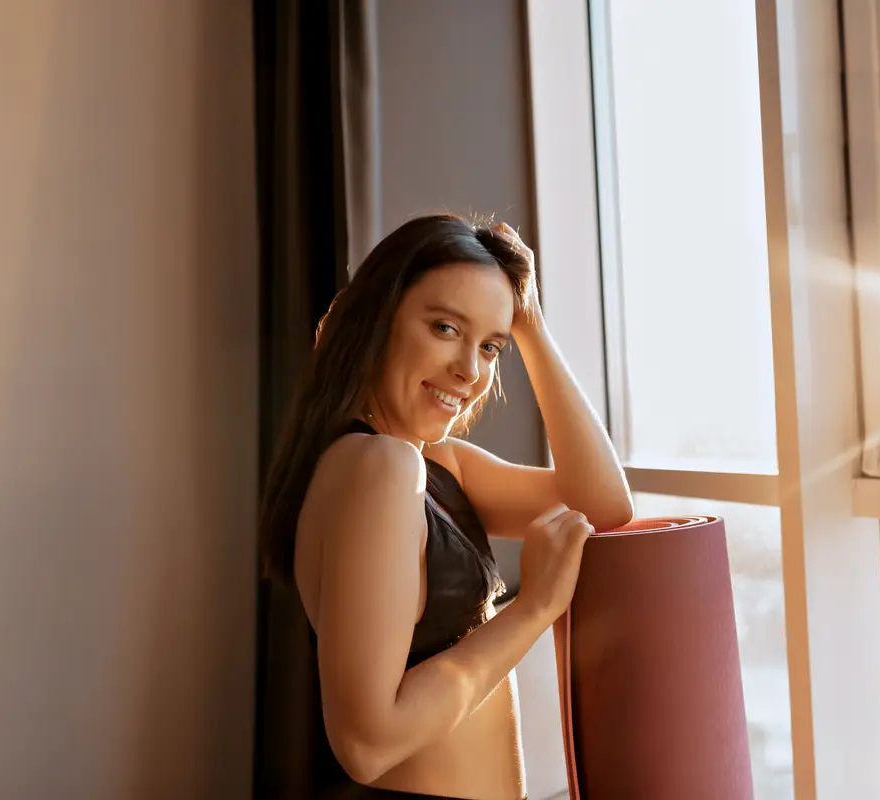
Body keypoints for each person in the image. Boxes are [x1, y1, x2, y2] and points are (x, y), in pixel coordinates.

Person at [258, 214, 633, 799]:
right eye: (444, 328)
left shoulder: (437, 465)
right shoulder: (381, 466)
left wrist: (530, 325)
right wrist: (532, 608)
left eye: (491, 346)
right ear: (375, 321)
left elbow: (605, 504)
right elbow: (366, 744)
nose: (472, 370)